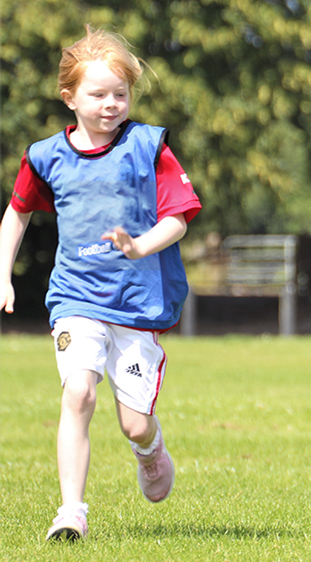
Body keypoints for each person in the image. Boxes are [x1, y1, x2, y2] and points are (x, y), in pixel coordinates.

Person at [0, 26, 201, 540]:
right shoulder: (46, 157)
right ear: (69, 97)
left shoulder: (147, 147)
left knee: (134, 421)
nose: (112, 105)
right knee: (79, 394)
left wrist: (140, 245)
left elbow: (178, 218)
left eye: (121, 94)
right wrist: (3, 274)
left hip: (136, 303)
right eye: (98, 94)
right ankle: (71, 512)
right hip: (75, 297)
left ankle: (150, 450)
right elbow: (17, 215)